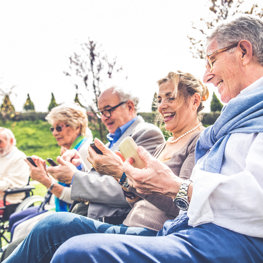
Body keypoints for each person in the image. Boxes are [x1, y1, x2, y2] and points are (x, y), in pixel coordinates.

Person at [47, 15, 263, 262]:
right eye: (159, 99)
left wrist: (157, 182)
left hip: (211, 236)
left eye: (212, 60)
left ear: (244, 52)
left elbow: (188, 199)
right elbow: (157, 196)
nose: (207, 76)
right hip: (185, 230)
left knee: (72, 248)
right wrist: (128, 180)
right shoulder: (227, 126)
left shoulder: (204, 137)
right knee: (52, 228)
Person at [1, 71, 208, 263]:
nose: (162, 106)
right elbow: (135, 196)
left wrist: (120, 173)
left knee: (51, 227)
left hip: (151, 232)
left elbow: (183, 205)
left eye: (170, 98)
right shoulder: (166, 143)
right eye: (159, 99)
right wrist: (124, 178)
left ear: (194, 100)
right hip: (129, 223)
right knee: (38, 228)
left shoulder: (196, 141)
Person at [46, 86, 165, 223]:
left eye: (108, 110)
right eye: (101, 112)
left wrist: (74, 177)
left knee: (46, 227)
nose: (104, 118)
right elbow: (104, 179)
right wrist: (80, 169)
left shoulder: (146, 133)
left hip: (110, 221)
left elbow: (132, 189)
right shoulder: (110, 142)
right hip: (88, 215)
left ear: (130, 107)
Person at [28, 103, 93, 212]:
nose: (54, 133)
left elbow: (83, 197)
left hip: (76, 214)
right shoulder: (72, 149)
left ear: (77, 127)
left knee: (19, 225)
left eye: (58, 128)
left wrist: (45, 181)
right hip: (58, 208)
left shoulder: (85, 151)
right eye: (52, 129)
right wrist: (45, 172)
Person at [0, 128, 30, 214]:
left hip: (10, 199)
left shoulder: (19, 158)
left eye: (0, 142)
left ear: (11, 141)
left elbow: (10, 183)